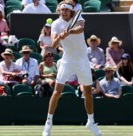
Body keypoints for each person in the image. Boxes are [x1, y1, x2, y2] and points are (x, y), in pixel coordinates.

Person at [42, 2, 102, 136]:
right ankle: (48, 124)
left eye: (66, 10)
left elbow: (80, 28)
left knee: (87, 92)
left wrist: (68, 32)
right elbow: (53, 44)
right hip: (67, 61)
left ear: (71, 12)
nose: (64, 12)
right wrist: (59, 37)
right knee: (57, 92)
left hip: (82, 60)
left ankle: (91, 122)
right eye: (62, 10)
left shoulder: (78, 18)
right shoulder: (56, 24)